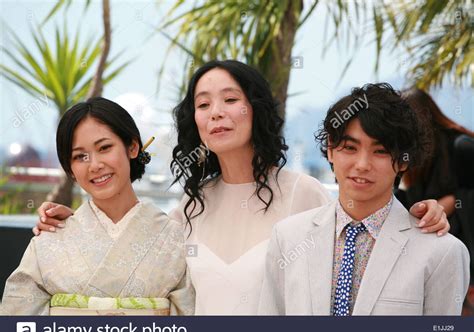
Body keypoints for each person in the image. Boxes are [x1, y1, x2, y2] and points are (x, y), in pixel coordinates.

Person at [32, 61, 449, 315]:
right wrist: (71, 225)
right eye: (203, 104)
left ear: (255, 108)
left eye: (230, 99)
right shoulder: (188, 209)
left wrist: (420, 213)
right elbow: (133, 262)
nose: (217, 113)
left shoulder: (302, 193)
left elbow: (363, 235)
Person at [258, 83, 469, 315]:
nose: (362, 165)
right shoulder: (288, 238)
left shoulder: (442, 252)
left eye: (380, 151)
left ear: (403, 161)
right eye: (349, 147)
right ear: (330, 149)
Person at [1, 97, 194, 315]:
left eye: (104, 147)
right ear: (70, 169)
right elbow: (16, 325)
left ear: (132, 147)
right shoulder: (49, 240)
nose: (95, 165)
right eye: (80, 156)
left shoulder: (174, 237)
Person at [395, 88, 474, 315]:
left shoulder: (462, 146)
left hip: (465, 251)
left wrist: (453, 200)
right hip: (436, 254)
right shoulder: (410, 156)